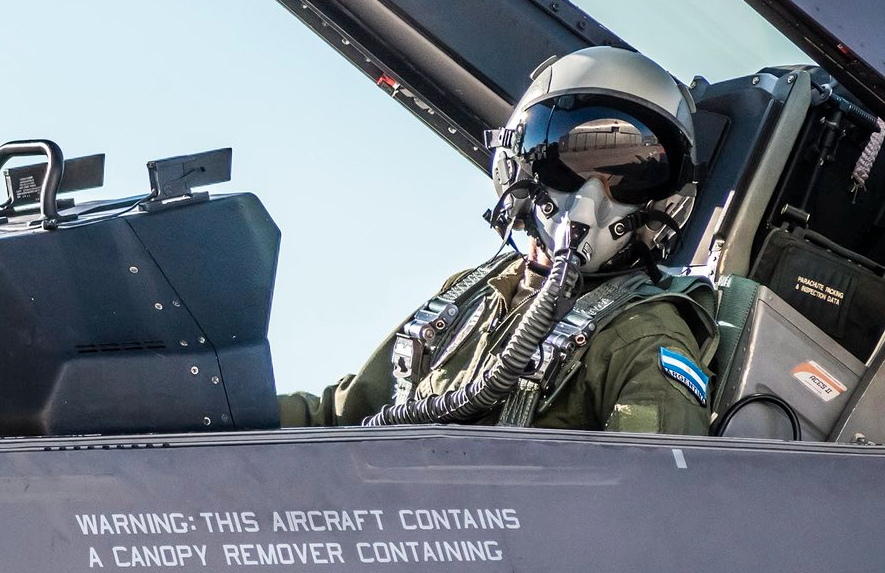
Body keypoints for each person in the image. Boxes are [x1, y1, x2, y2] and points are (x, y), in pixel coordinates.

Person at [279, 47, 719, 435]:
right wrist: (239, 411)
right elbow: (343, 418)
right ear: (517, 165)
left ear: (666, 203)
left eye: (628, 176)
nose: (590, 198)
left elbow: (654, 492)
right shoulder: (468, 296)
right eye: (565, 161)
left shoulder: (643, 339)